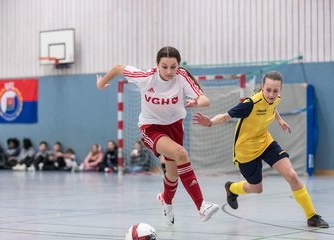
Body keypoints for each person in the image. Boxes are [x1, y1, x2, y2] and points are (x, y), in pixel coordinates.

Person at [96, 46, 219, 225]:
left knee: (173, 175)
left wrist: (197, 102)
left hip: (175, 127)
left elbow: (205, 100)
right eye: (165, 66)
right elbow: (118, 68)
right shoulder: (146, 77)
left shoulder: (182, 76)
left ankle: (165, 200)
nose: (169, 71)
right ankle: (201, 206)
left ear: (178, 65)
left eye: (173, 66)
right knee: (181, 153)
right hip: (151, 128)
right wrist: (101, 83)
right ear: (157, 65)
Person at [193, 71, 329, 228]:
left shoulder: (276, 98)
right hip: (246, 151)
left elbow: (273, 106)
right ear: (262, 88)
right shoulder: (250, 104)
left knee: (292, 175)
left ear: (280, 90)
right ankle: (231, 188)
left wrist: (280, 120)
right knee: (256, 188)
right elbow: (225, 116)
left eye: (275, 90)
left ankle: (312, 216)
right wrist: (209, 122)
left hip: (265, 142)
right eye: (268, 90)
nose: (271, 94)